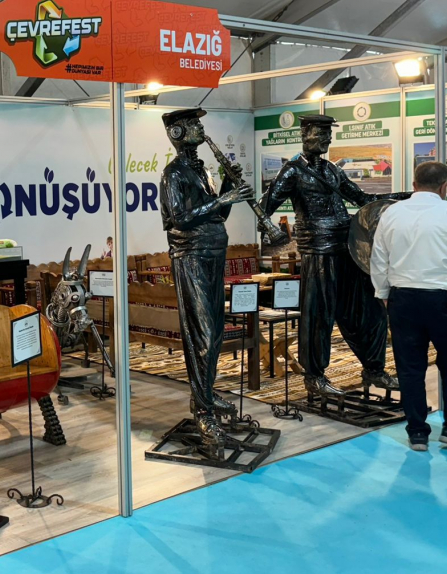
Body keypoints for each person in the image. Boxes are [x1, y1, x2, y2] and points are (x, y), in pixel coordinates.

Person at [260, 114, 410, 397]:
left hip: (347, 247)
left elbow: (363, 199)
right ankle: (314, 376)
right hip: (319, 252)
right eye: (321, 133)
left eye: (329, 134)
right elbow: (263, 207)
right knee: (319, 316)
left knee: (371, 311)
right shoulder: (292, 172)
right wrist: (269, 230)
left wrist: (407, 197)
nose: (326, 139)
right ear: (305, 134)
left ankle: (374, 369)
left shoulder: (331, 170)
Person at [370, 162, 447, 451]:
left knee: (409, 367)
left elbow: (378, 257)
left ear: (414, 184)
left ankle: (417, 433)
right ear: (444, 186)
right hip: (444, 300)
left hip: (403, 299)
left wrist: (384, 292)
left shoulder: (391, 213)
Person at [159, 107, 255, 443]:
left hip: (213, 252)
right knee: (202, 334)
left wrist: (227, 186)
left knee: (214, 333)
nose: (200, 128)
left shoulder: (201, 170)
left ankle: (206, 395)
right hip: (192, 257)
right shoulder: (173, 174)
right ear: (177, 132)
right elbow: (180, 218)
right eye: (193, 124)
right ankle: (203, 412)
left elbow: (218, 216)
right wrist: (223, 198)